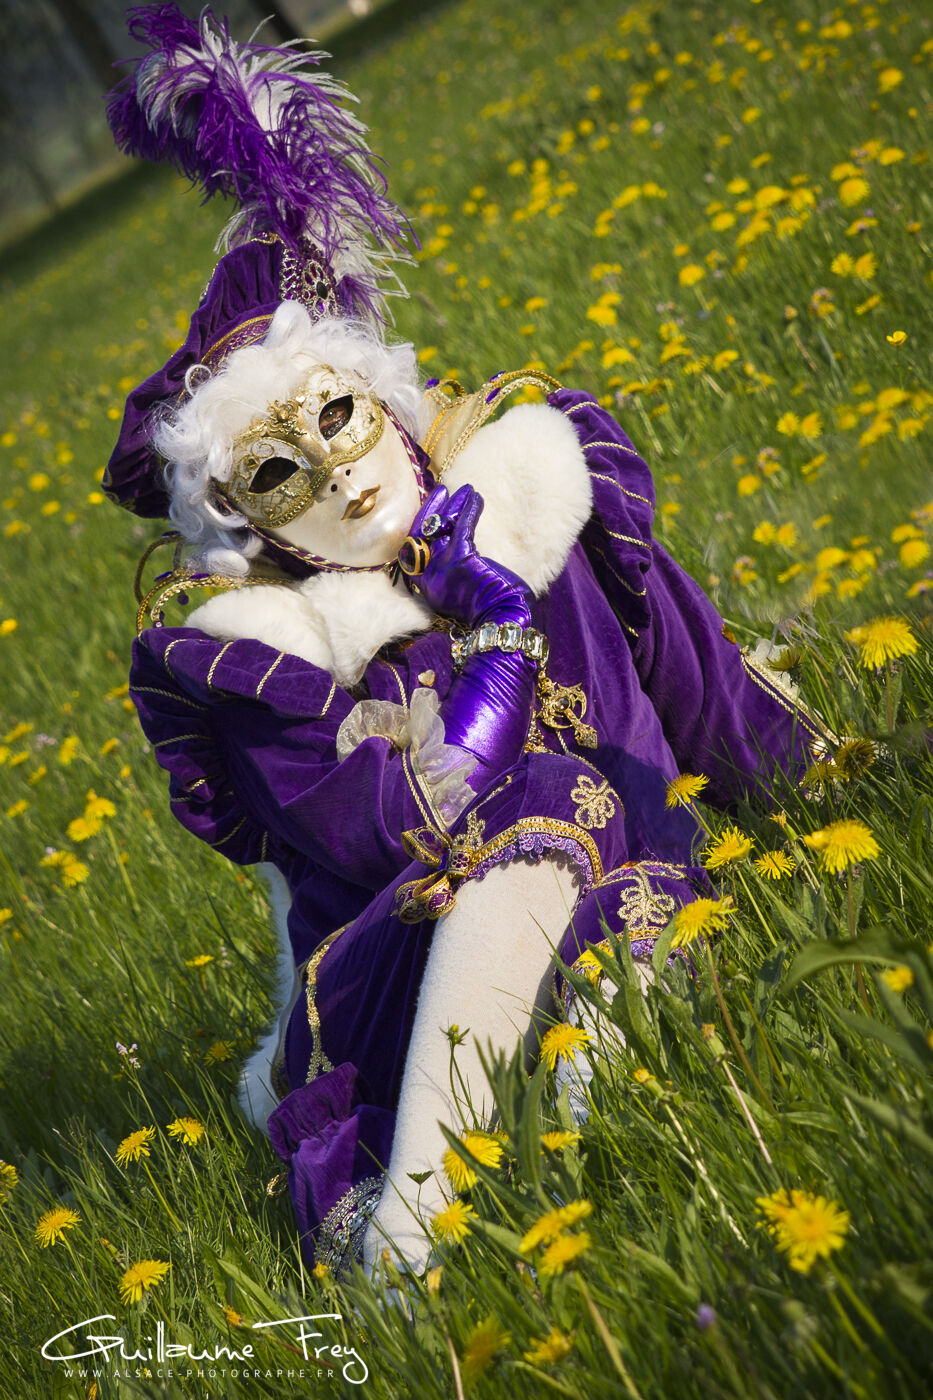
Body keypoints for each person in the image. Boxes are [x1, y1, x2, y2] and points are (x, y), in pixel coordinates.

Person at [106, 5, 823, 1275]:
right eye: (276, 469)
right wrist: (492, 632)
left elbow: (692, 676)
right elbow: (397, 829)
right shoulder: (270, 661)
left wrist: (820, 776)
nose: (338, 471)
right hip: (403, 973)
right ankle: (411, 1228)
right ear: (246, 525)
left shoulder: (537, 492)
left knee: (639, 924)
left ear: (387, 403)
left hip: (628, 902)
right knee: (546, 795)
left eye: (340, 415)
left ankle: (609, 1146)